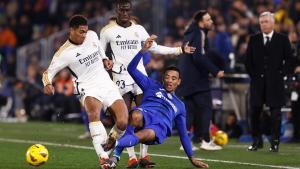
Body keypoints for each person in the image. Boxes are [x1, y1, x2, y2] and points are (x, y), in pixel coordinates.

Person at [99, 0, 195, 167]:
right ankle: (130, 157)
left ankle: (143, 156)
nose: (124, 13)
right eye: (121, 10)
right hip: (120, 77)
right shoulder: (107, 31)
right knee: (126, 118)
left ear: (131, 10)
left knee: (144, 115)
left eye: (127, 10)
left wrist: (179, 50)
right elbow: (100, 51)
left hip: (139, 77)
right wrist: (104, 60)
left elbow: (155, 47)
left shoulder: (139, 29)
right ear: (116, 10)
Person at [103, 35, 209, 169]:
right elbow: (131, 69)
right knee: (135, 115)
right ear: (163, 79)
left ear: (179, 82)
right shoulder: (151, 85)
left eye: (174, 78)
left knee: (143, 134)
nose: (170, 80)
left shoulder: (180, 105)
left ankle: (116, 148)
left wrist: (192, 158)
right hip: (144, 114)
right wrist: (143, 50)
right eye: (167, 77)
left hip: (158, 127)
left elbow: (183, 134)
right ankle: (115, 158)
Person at [42, 15, 128, 168]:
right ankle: (103, 158)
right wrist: (48, 84)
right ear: (72, 30)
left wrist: (104, 59)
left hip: (106, 83)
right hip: (87, 86)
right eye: (81, 32)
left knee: (122, 121)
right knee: (94, 115)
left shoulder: (92, 35)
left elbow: (100, 50)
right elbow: (47, 73)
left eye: (85, 31)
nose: (84, 35)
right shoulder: (64, 53)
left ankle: (110, 140)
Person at [245, 11, 293, 152]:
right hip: (257, 84)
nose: (263, 24)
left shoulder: (282, 39)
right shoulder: (253, 39)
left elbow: (289, 60)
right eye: (261, 22)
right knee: (254, 112)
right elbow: (248, 61)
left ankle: (275, 142)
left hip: (275, 83)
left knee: (276, 115)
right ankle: (256, 141)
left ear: (273, 23)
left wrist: (281, 74)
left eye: (266, 22)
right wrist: (254, 76)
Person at [177, 10, 225, 151]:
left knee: (190, 111)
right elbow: (198, 57)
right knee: (205, 108)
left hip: (187, 79)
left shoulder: (190, 33)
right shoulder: (198, 33)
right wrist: (215, 71)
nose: (211, 22)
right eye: (208, 19)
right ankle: (205, 140)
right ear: (201, 22)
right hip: (196, 80)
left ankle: (185, 143)